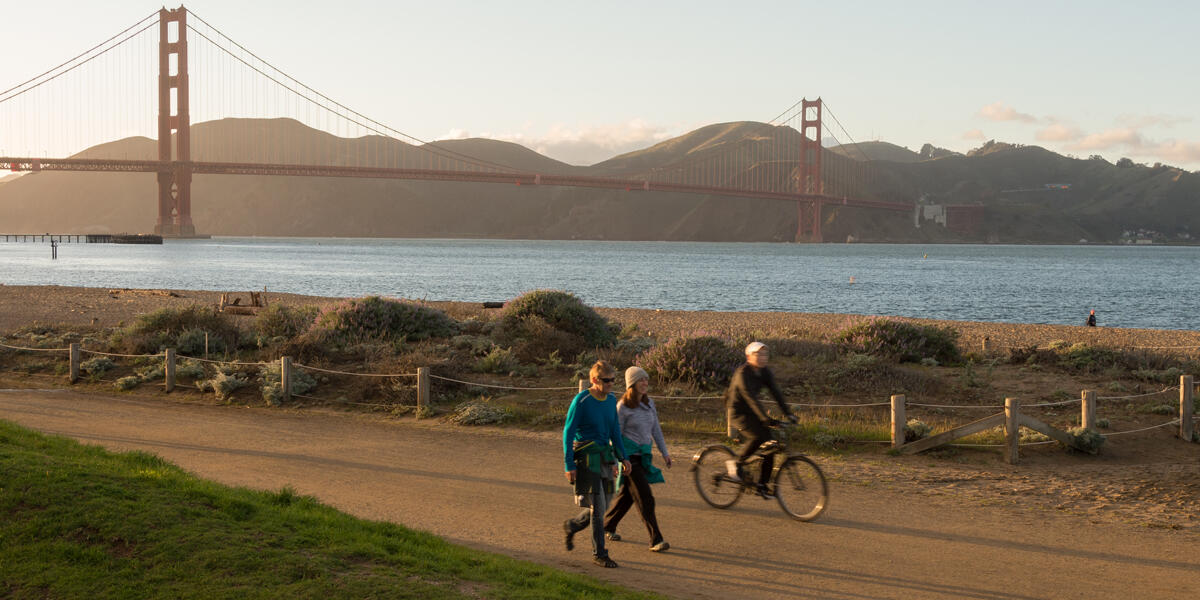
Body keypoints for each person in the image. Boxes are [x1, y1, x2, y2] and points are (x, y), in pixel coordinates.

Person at [562, 360, 631, 568]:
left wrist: (623, 457)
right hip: (586, 457)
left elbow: (614, 432)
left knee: (604, 504)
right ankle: (599, 553)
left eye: (613, 380)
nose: (611, 384)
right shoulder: (581, 401)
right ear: (594, 380)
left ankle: (573, 525)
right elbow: (568, 432)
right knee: (599, 507)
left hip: (605, 456)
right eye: (606, 380)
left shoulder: (611, 401)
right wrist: (568, 465)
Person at [603, 366, 671, 552]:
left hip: (643, 456)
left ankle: (607, 525)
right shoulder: (623, 407)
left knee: (627, 497)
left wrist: (665, 453)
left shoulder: (649, 404)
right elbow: (614, 434)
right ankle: (655, 539)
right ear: (631, 384)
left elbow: (656, 429)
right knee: (645, 497)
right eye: (641, 380)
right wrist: (615, 460)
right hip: (628, 458)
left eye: (646, 380)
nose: (645, 383)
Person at [724, 341, 797, 497]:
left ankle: (762, 485)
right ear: (749, 356)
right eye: (758, 354)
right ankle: (735, 463)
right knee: (758, 436)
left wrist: (789, 413)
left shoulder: (765, 372)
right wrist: (766, 419)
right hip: (738, 413)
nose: (763, 357)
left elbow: (776, 393)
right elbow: (750, 398)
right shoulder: (742, 374)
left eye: (765, 354)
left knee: (770, 444)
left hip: (753, 412)